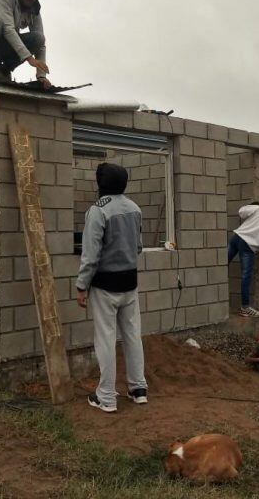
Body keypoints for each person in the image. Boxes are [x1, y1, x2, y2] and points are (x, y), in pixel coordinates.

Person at [76, 163, 148, 413]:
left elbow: (91, 255)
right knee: (132, 335)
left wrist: (81, 285)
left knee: (105, 338)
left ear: (101, 183)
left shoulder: (97, 211)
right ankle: (138, 389)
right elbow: (138, 247)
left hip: (105, 286)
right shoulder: (135, 208)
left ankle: (106, 397)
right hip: (130, 284)